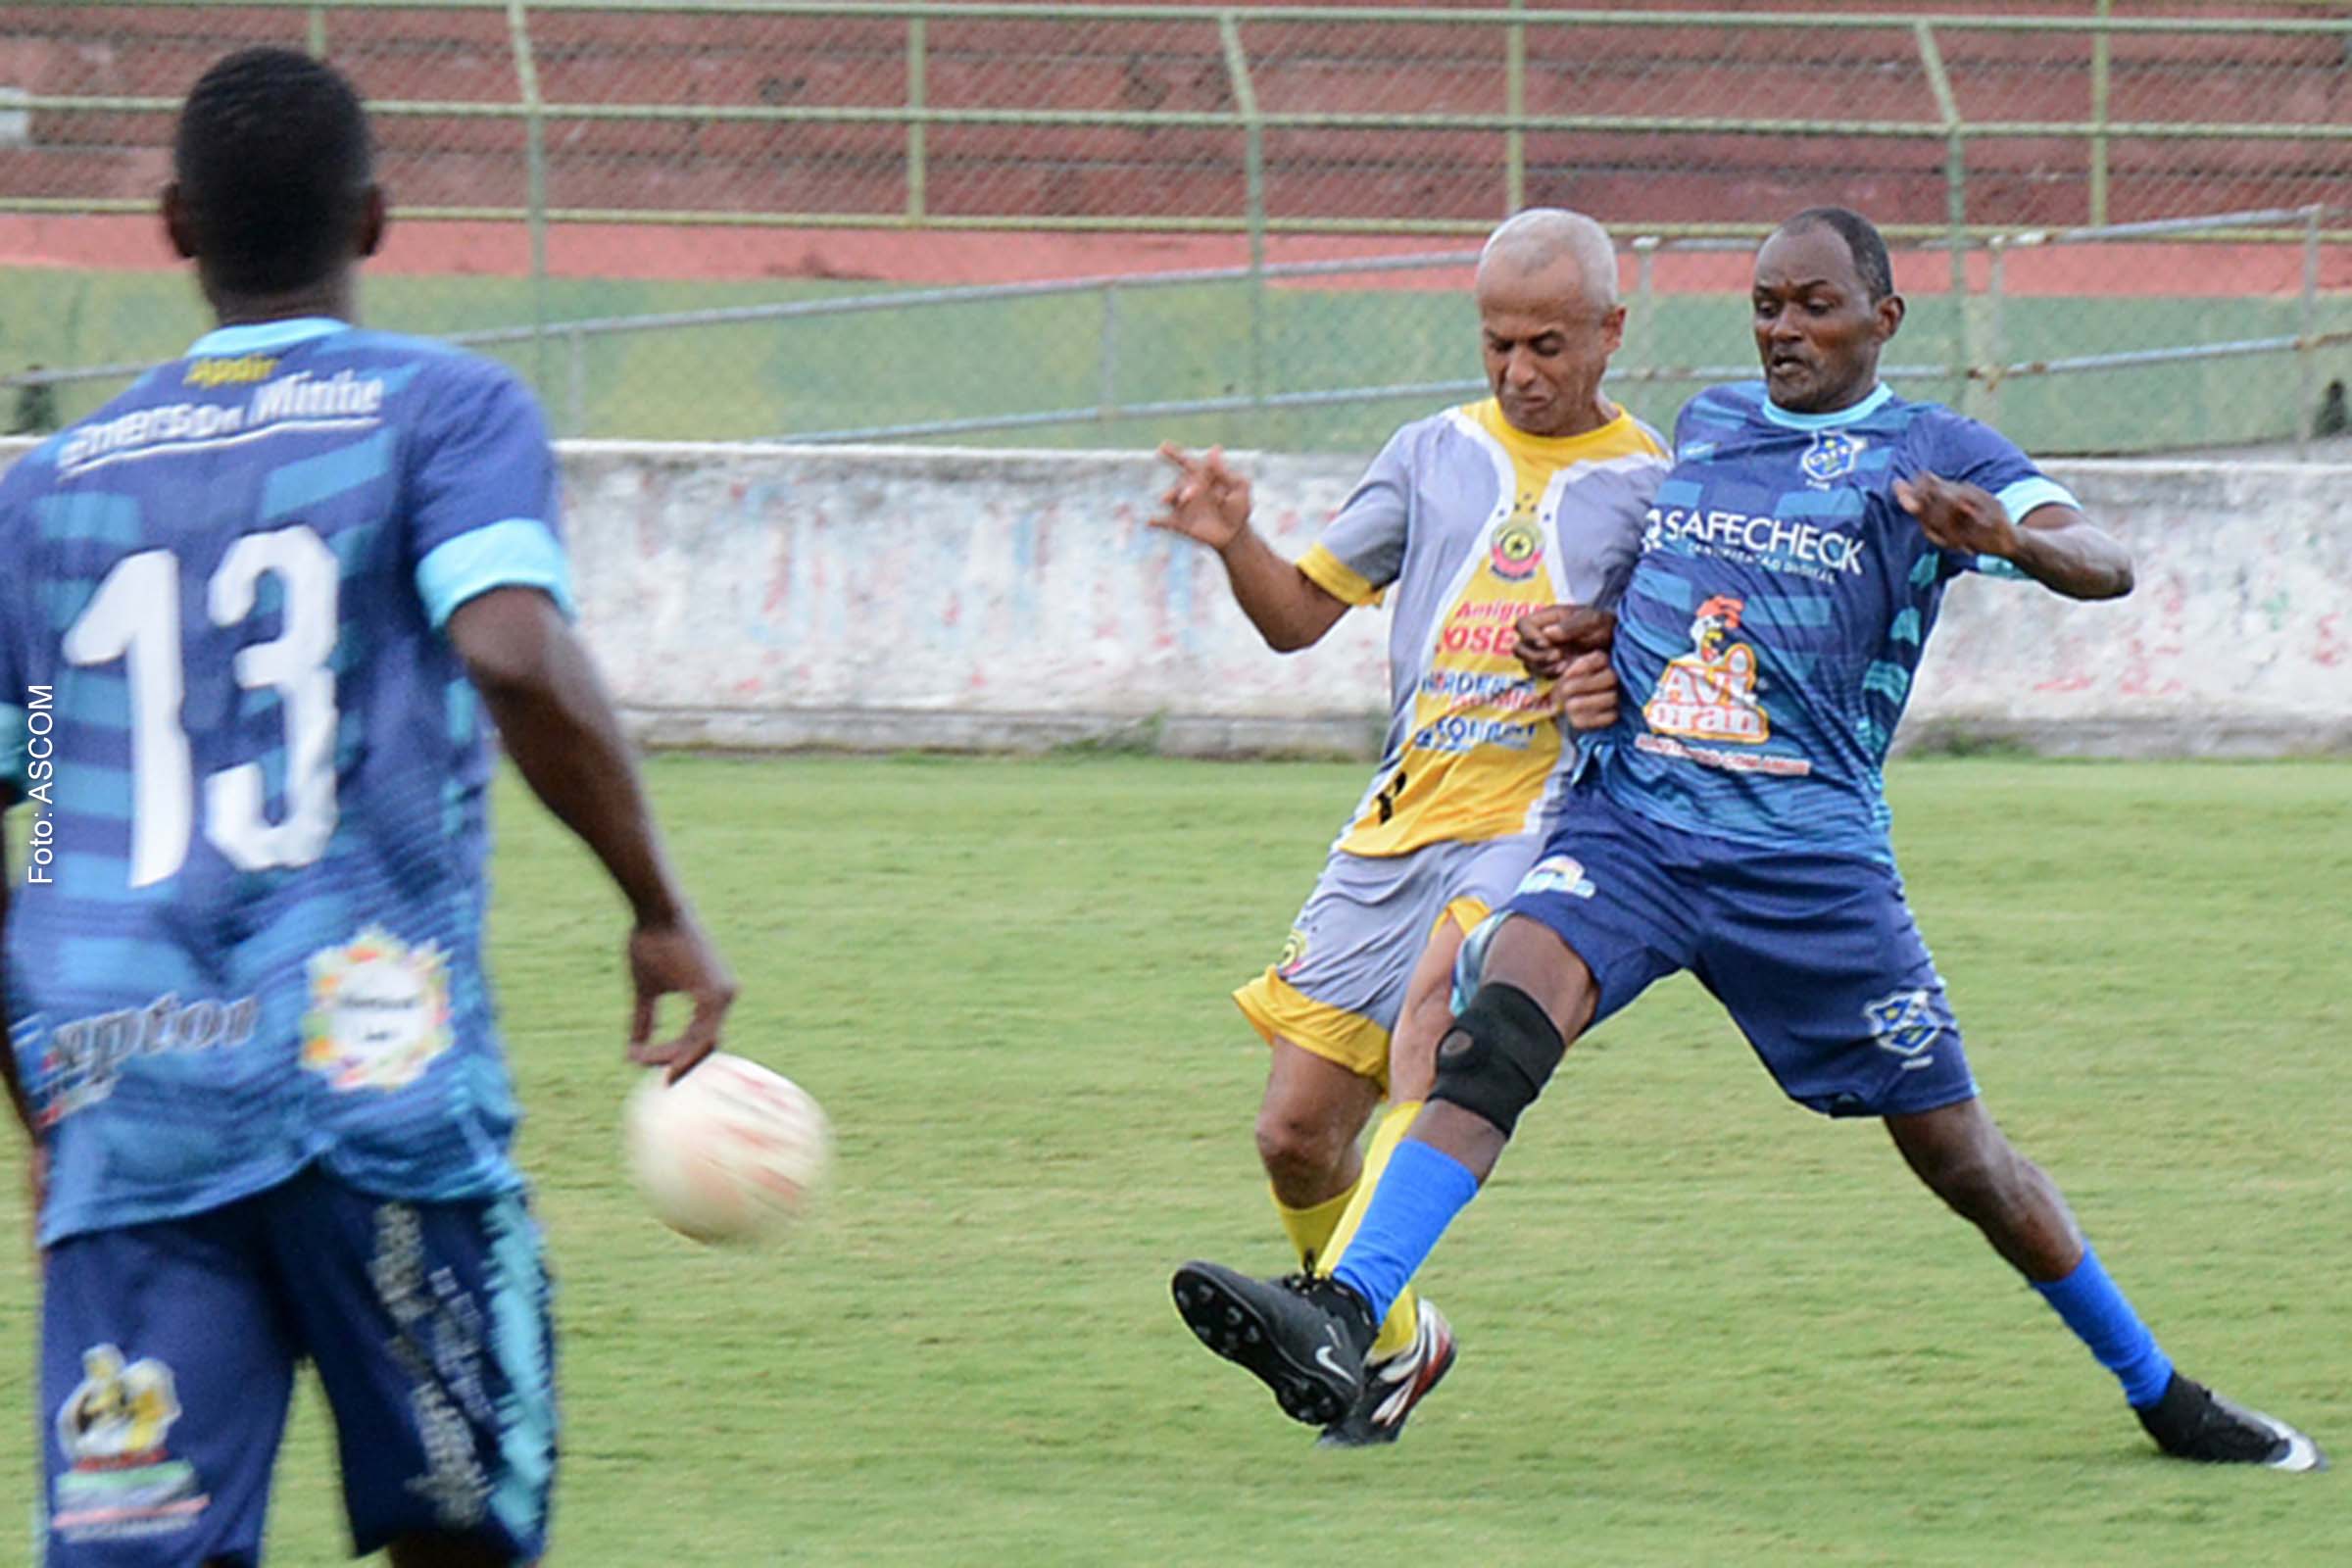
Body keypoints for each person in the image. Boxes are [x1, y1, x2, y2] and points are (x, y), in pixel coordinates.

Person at [1172, 206, 2327, 1473]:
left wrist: (2012, 539)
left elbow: (2105, 561)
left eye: (1816, 305)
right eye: (1770, 305)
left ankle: (2159, 1389)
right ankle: (1349, 1315)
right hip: (1638, 831)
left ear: (1884, 319)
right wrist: (1594, 640)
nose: (1787, 329)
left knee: (1963, 1159)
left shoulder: (1934, 451)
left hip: (1808, 867)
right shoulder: (1713, 432)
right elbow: (1683, 606)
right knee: (1489, 1025)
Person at [0, 47, 738, 1566]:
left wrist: (42, 1099)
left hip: (127, 1104)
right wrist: (656, 904)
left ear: (174, 228)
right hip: (376, 1088)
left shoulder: (43, 492)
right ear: (377, 218)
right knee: (463, 1540)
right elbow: (512, 651)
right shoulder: (444, 412)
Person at [1152, 207, 1660, 1445]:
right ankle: (1393, 1347)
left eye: (1546, 344)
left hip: (1543, 822)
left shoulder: (1659, 488)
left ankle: (1333, 1303)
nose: (1519, 372)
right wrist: (1236, 542)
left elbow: (1673, 678)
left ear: (1610, 331)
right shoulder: (1428, 452)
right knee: (1290, 1136)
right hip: (1398, 823)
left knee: (1446, 1000)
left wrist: (1606, 682)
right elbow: (1295, 618)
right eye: (1496, 345)